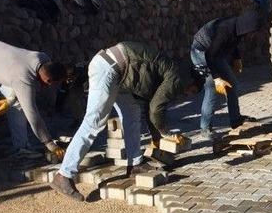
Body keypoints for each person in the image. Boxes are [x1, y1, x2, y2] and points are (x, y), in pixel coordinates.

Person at [50, 42, 202, 201]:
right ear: (190, 82)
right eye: (191, 92)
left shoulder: (170, 71)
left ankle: (135, 164)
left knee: (132, 112)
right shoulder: (176, 78)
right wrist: (166, 134)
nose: (188, 95)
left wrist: (157, 137)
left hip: (119, 73)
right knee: (94, 122)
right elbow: (157, 109)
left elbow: (152, 107)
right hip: (108, 68)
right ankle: (64, 175)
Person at [0, 40, 67, 176]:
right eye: (53, 84)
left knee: (17, 104)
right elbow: (33, 116)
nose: (51, 87)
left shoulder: (44, 59)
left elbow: (19, 82)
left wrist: (10, 100)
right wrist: (50, 144)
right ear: (48, 81)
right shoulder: (23, 76)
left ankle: (22, 149)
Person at [190, 10, 261, 139]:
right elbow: (210, 55)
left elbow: (232, 43)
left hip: (216, 53)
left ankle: (236, 120)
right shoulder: (225, 29)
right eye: (252, 31)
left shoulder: (238, 27)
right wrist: (217, 78)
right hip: (201, 52)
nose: (251, 35)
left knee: (232, 84)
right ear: (247, 26)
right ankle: (205, 128)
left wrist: (237, 58)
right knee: (212, 89)